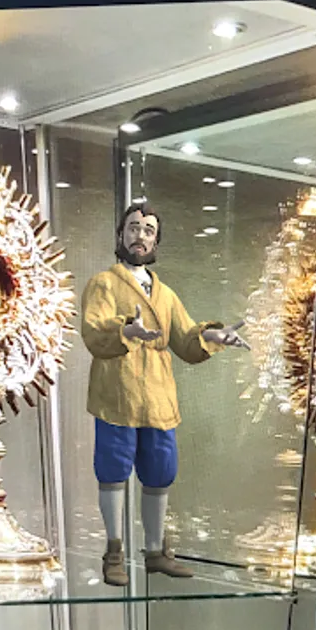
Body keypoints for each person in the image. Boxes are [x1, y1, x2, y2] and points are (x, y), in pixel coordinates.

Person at [81, 203, 250, 586]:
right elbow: (94, 331)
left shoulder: (165, 294)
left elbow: (185, 338)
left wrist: (213, 335)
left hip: (158, 396)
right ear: (121, 234)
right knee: (112, 470)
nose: (140, 236)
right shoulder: (103, 284)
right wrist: (126, 330)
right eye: (133, 228)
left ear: (156, 241)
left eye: (148, 231)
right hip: (117, 393)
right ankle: (114, 551)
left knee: (160, 472)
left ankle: (156, 552)